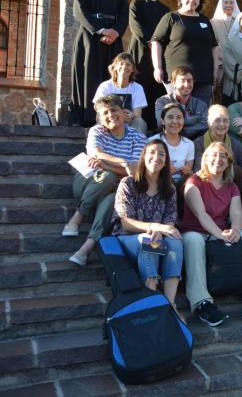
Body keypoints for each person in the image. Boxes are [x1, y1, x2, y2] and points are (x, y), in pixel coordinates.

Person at [182, 142, 242, 326]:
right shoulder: (194, 182)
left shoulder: (231, 187)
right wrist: (221, 235)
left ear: (228, 163)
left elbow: (237, 213)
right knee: (194, 240)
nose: (218, 160)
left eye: (223, 156)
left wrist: (235, 230)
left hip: (219, 233)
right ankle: (202, 302)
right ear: (205, 159)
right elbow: (201, 214)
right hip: (196, 232)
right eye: (214, 155)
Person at [64, 96, 147, 266]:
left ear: (123, 113)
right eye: (105, 113)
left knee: (112, 200)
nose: (110, 115)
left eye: (114, 110)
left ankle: (87, 247)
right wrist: (123, 162)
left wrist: (107, 165)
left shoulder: (137, 137)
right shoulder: (97, 131)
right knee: (108, 178)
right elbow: (97, 154)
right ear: (100, 118)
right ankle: (77, 217)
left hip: (115, 187)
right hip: (88, 182)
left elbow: (136, 171)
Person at [111, 139, 183, 311]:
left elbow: (170, 220)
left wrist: (162, 231)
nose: (156, 157)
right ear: (143, 157)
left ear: (166, 161)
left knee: (174, 242)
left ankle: (170, 303)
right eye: (152, 152)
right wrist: (155, 228)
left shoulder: (170, 189)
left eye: (161, 154)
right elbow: (126, 223)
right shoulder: (128, 183)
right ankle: (152, 301)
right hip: (127, 238)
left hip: (156, 237)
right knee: (149, 241)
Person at [71, 0, 129, 127]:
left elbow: (124, 16)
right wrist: (101, 30)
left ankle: (113, 117)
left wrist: (114, 32)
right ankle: (88, 118)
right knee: (89, 75)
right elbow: (79, 11)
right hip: (90, 38)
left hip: (113, 40)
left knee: (112, 77)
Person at [151, 0, 220, 106]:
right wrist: (158, 68)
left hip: (203, 77)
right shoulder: (171, 17)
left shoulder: (204, 20)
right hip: (177, 77)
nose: (192, 0)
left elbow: (214, 46)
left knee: (200, 114)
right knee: (176, 112)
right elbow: (156, 42)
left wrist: (215, 70)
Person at [128, 0, 170, 128]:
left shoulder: (166, 11)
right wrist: (151, 42)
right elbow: (135, 26)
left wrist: (159, 45)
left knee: (156, 86)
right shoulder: (136, 4)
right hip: (139, 51)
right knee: (139, 84)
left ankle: (154, 125)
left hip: (158, 55)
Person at [92, 52, 148, 134]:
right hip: (110, 121)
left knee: (139, 122)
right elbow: (99, 116)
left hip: (129, 123)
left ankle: (137, 145)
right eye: (121, 64)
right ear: (114, 67)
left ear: (133, 69)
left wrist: (131, 116)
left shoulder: (138, 88)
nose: (124, 67)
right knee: (98, 126)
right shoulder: (105, 86)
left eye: (128, 64)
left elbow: (137, 115)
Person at [151, 103, 194, 204]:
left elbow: (189, 170)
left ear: (183, 120)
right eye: (170, 117)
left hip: (181, 185)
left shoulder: (189, 144)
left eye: (179, 117)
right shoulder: (153, 141)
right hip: (159, 182)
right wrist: (164, 170)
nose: (175, 121)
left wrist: (187, 171)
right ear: (162, 120)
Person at [194, 104, 242, 189]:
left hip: (229, 183)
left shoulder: (236, 144)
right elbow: (198, 170)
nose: (221, 124)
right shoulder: (198, 143)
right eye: (217, 120)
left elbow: (241, 171)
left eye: (225, 121)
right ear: (209, 123)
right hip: (206, 183)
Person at [154, 67, 209, 139]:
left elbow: (206, 125)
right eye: (182, 81)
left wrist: (182, 129)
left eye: (189, 81)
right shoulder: (162, 101)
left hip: (195, 141)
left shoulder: (201, 105)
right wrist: (193, 122)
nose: (186, 85)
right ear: (173, 82)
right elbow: (161, 124)